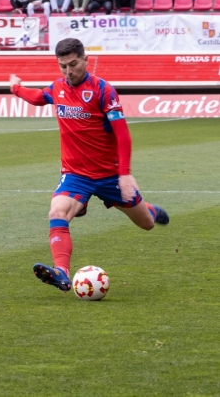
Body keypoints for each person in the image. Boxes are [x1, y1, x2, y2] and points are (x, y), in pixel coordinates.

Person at [9, 37, 169, 293]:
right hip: (76, 174)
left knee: (146, 224)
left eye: (73, 64)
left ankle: (151, 210)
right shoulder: (58, 87)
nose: (69, 71)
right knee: (57, 211)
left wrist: (125, 174)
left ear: (86, 59)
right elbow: (39, 96)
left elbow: (123, 134)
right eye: (63, 66)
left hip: (109, 176)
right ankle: (61, 272)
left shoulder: (103, 90)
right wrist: (16, 88)